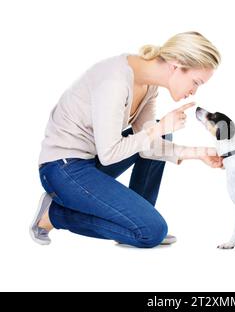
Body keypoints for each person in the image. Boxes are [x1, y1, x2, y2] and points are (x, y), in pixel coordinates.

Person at [30, 31, 222, 248]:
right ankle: (54, 215)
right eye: (195, 82)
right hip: (62, 169)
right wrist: (158, 128)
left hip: (92, 163)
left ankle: (138, 219)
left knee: (158, 132)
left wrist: (198, 153)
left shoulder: (149, 86)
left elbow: (148, 148)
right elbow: (110, 153)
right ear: (176, 65)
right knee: (152, 232)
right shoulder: (114, 81)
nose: (194, 91)